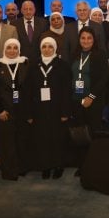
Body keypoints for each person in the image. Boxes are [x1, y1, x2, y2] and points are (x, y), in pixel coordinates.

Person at [25, 37, 71, 179]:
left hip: (57, 109)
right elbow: (28, 90)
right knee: (42, 138)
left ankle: (58, 165)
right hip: (39, 109)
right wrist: (29, 114)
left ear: (55, 48)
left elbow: (67, 90)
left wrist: (65, 111)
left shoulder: (62, 65)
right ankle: (46, 166)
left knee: (58, 138)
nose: (47, 49)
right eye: (44, 46)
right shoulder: (33, 65)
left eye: (50, 46)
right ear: (40, 48)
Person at [0, 39, 34, 181]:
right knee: (7, 143)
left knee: (22, 140)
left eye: (15, 48)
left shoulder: (25, 64)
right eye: (9, 48)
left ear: (19, 50)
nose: (12, 51)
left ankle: (22, 168)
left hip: (22, 110)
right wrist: (0, 110)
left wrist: (29, 111)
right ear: (5, 49)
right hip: (6, 111)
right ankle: (9, 172)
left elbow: (30, 90)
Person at [70, 28, 109, 173]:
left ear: (94, 40)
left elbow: (103, 78)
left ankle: (95, 164)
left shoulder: (100, 54)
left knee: (93, 133)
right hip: (76, 101)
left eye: (89, 38)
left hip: (93, 101)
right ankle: (82, 165)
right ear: (79, 40)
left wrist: (91, 97)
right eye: (83, 38)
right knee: (80, 135)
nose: (86, 41)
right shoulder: (74, 55)